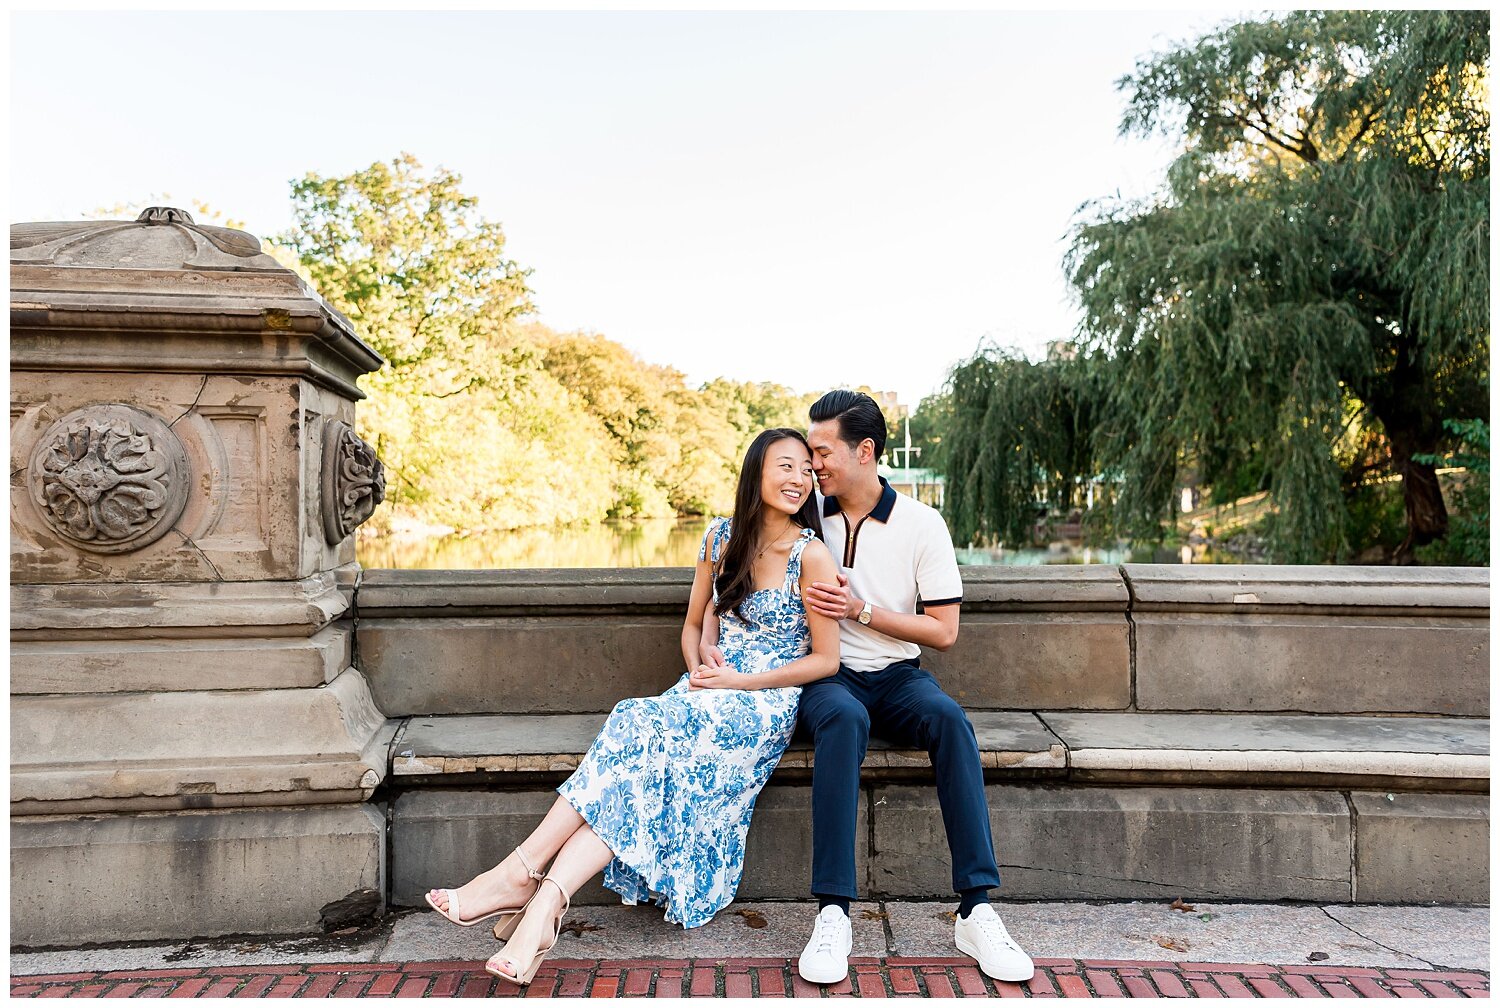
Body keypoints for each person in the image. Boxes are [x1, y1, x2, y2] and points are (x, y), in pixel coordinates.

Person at [425, 428, 841, 986]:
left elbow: (827, 661)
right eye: (785, 467)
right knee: (635, 731)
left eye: (805, 471)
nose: (798, 479)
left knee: (636, 729)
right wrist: (698, 666)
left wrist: (741, 682)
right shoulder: (721, 539)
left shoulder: (810, 554)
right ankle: (541, 906)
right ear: (756, 474)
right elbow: (694, 625)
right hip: (703, 690)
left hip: (759, 704)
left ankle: (518, 877)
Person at [792, 390, 1034, 985]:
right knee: (844, 720)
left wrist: (862, 609)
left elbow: (943, 631)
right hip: (829, 676)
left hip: (899, 675)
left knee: (950, 720)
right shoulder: (806, 516)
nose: (812, 464)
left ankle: (976, 908)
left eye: (822, 453)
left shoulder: (923, 524)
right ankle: (832, 914)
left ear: (865, 451)